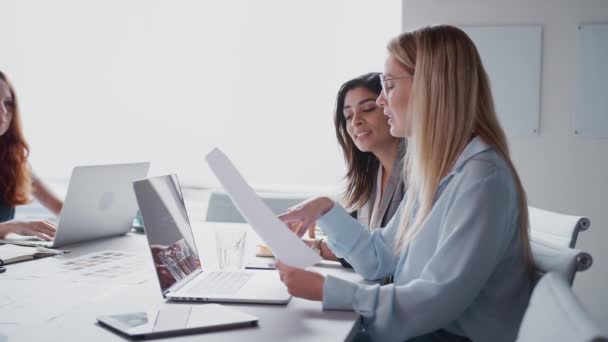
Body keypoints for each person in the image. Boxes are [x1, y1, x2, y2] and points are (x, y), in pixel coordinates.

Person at [276, 25, 533, 342]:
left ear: (431, 88)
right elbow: (380, 257)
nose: (382, 102)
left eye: (388, 85)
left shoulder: (482, 179)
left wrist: (330, 290)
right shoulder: (438, 172)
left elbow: (438, 300)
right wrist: (326, 209)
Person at [308, 73, 406, 265]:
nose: (355, 122)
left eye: (368, 109)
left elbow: (385, 255)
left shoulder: (417, 175)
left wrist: (316, 247)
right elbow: (362, 245)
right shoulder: (371, 175)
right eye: (348, 116)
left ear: (390, 108)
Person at [0, 71, 62, 240]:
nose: (3, 112)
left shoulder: (12, 160)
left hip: (8, 262)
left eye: (8, 103)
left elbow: (61, 208)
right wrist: (14, 226)